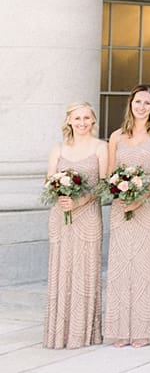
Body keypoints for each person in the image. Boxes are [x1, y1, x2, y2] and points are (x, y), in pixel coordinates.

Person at [103, 83, 150, 347]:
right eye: (137, 102)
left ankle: (145, 329)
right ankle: (121, 329)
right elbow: (111, 171)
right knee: (123, 266)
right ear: (130, 104)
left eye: (147, 102)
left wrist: (142, 197)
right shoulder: (116, 136)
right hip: (122, 206)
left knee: (147, 265)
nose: (141, 107)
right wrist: (121, 196)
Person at [43, 101, 108, 348]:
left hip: (88, 214)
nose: (82, 123)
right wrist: (60, 196)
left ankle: (83, 331)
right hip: (60, 215)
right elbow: (49, 181)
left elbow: (103, 184)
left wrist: (81, 200)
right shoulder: (58, 149)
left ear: (93, 121)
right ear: (69, 121)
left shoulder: (102, 147)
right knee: (63, 267)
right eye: (77, 118)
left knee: (85, 269)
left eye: (86, 118)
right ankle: (59, 331)